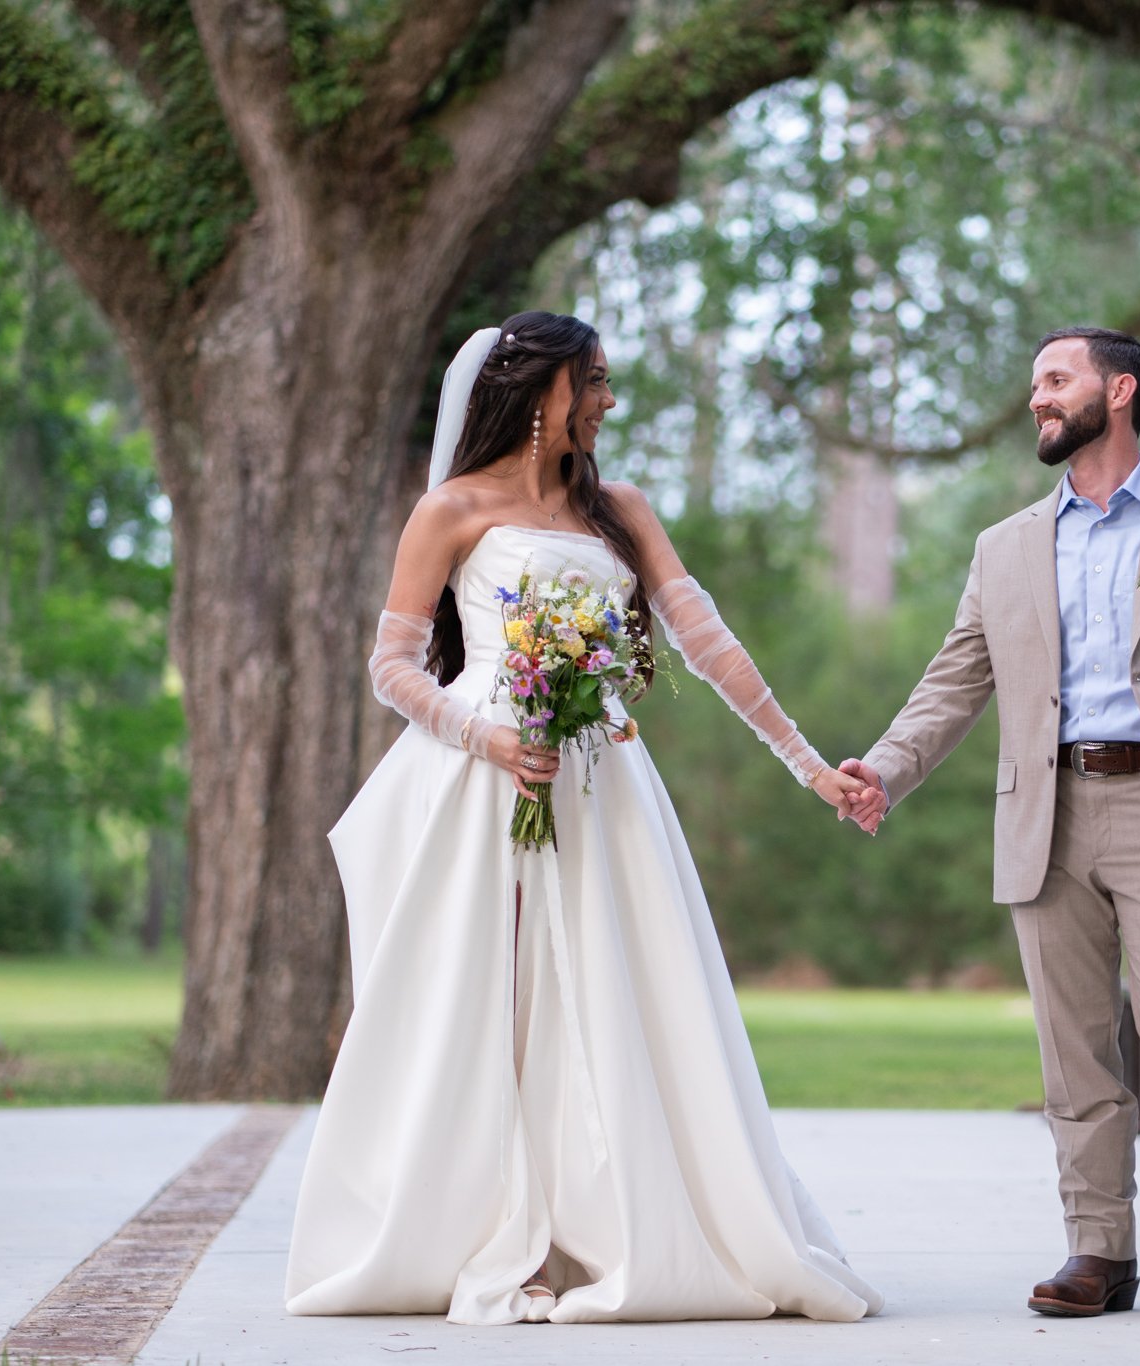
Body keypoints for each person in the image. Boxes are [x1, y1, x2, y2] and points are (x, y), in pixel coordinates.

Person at [284, 311, 881, 1326]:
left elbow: (707, 642)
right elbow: (390, 665)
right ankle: (487, 1229)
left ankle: (605, 1222)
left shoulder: (622, 511)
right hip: (485, 784)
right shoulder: (451, 510)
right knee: (492, 1003)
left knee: (610, 993)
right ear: (538, 392)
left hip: (604, 784)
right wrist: (484, 738)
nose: (607, 400)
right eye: (593, 381)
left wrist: (808, 764)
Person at [840, 326, 1140, 1323]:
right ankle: (1098, 1251)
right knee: (1074, 1052)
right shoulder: (1002, 546)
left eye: (1055, 379)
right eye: (1036, 383)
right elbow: (956, 676)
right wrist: (885, 767)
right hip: (1041, 814)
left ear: (1117, 390)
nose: (1036, 397)